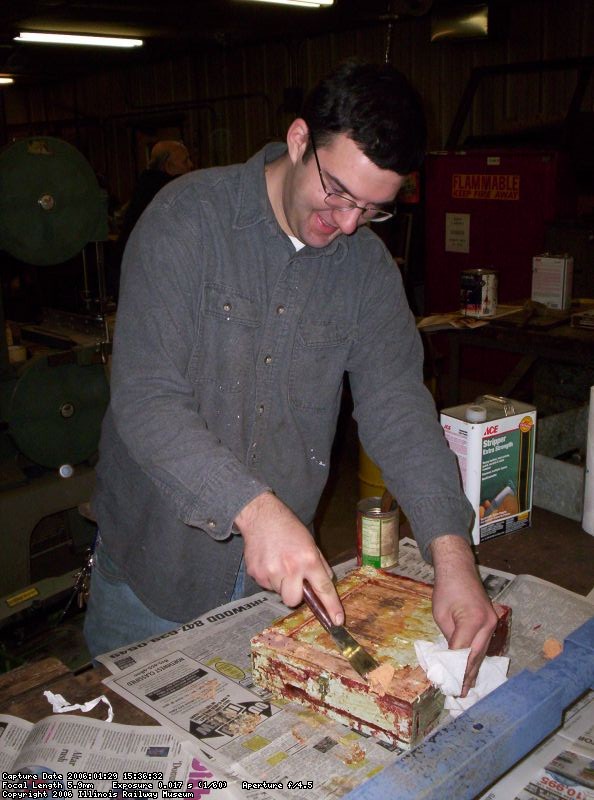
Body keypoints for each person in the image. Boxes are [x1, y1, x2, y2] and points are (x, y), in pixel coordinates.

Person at [85, 60, 497, 696]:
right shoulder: (187, 221)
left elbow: (398, 410)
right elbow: (145, 399)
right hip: (152, 575)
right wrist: (253, 509)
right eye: (338, 193)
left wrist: (453, 556)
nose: (350, 223)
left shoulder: (365, 271)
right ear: (300, 140)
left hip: (272, 592)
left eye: (374, 208)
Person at [117, 140, 194, 245]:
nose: (191, 164)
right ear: (168, 166)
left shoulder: (145, 186)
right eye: (185, 161)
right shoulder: (170, 191)